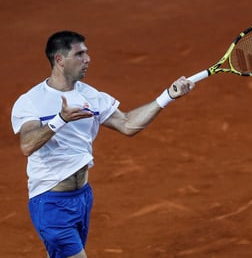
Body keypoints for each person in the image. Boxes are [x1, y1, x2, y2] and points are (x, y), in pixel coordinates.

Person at [11, 31, 194, 258]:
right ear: (59, 60)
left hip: (82, 198)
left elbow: (127, 124)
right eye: (80, 54)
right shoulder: (31, 101)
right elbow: (27, 145)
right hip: (50, 203)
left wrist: (167, 96)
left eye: (86, 53)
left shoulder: (92, 96)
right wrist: (61, 119)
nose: (88, 59)